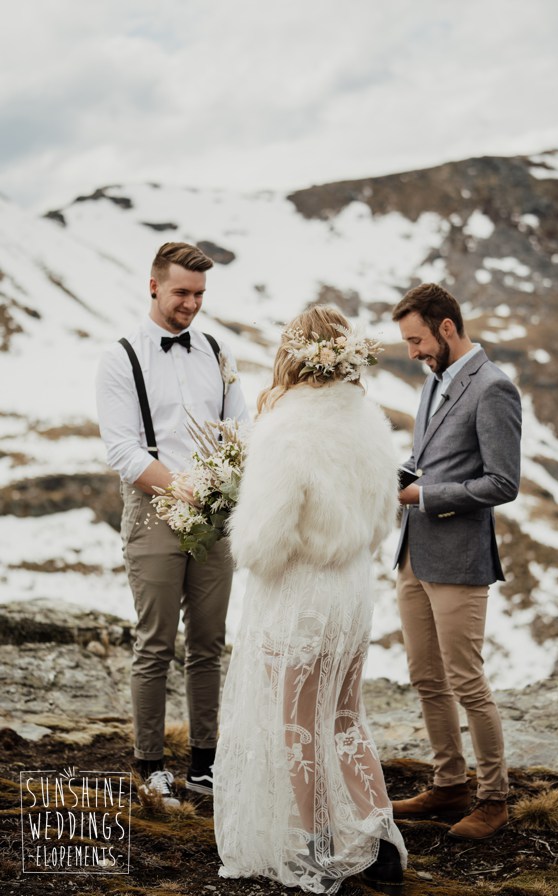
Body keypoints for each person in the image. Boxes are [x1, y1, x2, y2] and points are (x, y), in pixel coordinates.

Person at [213, 305, 406, 894]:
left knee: (298, 724)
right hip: (352, 593)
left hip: (300, 596)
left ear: (292, 354)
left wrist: (230, 518)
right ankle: (379, 844)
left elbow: (263, 543)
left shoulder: (285, 427)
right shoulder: (372, 423)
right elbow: (382, 519)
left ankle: (319, 850)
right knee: (346, 718)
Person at [96, 241, 251, 805]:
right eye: (183, 292)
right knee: (155, 643)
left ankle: (206, 763)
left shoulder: (215, 349)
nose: (192, 304)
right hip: (153, 511)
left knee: (209, 642)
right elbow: (122, 450)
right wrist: (180, 484)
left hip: (215, 515)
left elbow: (241, 426)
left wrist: (225, 481)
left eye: (200, 294)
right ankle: (151, 764)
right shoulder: (121, 357)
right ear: (154, 285)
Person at [389, 282, 521, 841]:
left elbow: (502, 483)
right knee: (425, 676)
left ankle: (494, 799)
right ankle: (449, 784)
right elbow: (431, 460)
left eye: (417, 340)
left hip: (460, 556)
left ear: (447, 327)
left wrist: (426, 496)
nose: (413, 352)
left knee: (467, 680)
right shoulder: (433, 382)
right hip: (414, 553)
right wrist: (398, 477)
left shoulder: (493, 388)